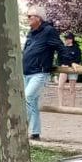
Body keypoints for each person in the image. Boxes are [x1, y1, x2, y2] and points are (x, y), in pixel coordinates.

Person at [22, 9, 63, 141]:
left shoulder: (49, 31)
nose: (27, 18)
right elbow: (26, 50)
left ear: (38, 18)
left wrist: (71, 61)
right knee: (32, 102)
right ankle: (35, 132)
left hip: (39, 72)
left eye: (30, 16)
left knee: (27, 97)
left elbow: (60, 47)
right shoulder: (31, 33)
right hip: (26, 72)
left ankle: (20, 129)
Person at [56, 31, 82, 107]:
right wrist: (62, 65)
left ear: (71, 39)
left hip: (73, 70)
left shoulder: (77, 49)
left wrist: (71, 64)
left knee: (72, 89)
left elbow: (78, 60)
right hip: (64, 69)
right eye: (65, 39)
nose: (66, 40)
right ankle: (60, 105)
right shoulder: (62, 48)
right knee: (60, 87)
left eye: (67, 39)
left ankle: (72, 106)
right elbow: (59, 60)